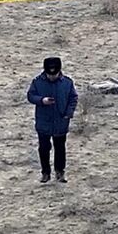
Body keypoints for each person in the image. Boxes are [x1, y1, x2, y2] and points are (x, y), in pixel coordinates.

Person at [26, 56, 78, 184]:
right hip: (43, 122)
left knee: (60, 148)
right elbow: (30, 96)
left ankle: (60, 172)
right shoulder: (37, 82)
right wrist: (42, 100)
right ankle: (45, 173)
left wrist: (68, 113)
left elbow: (73, 98)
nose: (52, 77)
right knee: (44, 148)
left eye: (54, 74)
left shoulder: (67, 83)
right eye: (49, 74)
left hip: (61, 122)